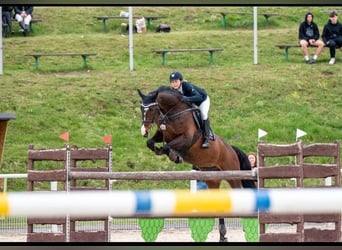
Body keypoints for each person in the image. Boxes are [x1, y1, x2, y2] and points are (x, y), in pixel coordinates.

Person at [169, 71, 211, 148]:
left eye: (176, 81)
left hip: (202, 100)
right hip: (191, 102)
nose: (174, 84)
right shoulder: (172, 90)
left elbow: (198, 97)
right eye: (172, 82)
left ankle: (206, 138)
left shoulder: (186, 86)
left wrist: (187, 98)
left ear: (181, 81)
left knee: (203, 114)